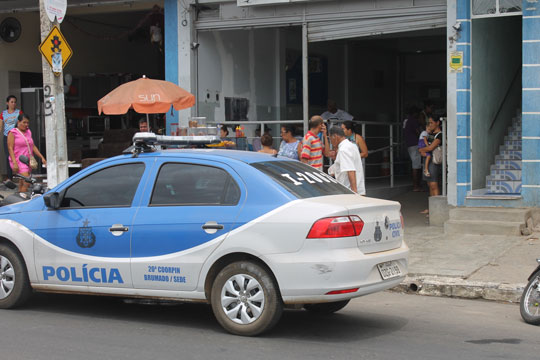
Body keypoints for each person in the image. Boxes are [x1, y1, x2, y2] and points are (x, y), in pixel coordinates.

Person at [7, 114, 46, 193]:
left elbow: (33, 146)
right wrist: (14, 162)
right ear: (18, 122)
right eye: (24, 122)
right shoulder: (13, 132)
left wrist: (42, 157)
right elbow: (10, 148)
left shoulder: (28, 131)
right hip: (17, 160)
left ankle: (19, 198)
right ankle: (24, 198)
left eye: (27, 123)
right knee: (27, 180)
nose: (26, 125)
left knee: (22, 182)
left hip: (27, 161)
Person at [327, 126, 365, 195]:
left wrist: (354, 192)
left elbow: (350, 170)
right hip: (358, 189)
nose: (331, 142)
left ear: (335, 136)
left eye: (330, 139)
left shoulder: (343, 149)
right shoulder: (352, 145)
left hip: (349, 192)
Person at [419, 116, 443, 203]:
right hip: (427, 160)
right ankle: (431, 207)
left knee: (434, 184)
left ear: (438, 123)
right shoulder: (428, 134)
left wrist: (421, 150)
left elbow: (430, 148)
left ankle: (436, 207)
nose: (430, 125)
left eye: (431, 123)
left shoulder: (440, 135)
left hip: (434, 160)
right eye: (429, 123)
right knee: (429, 184)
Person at [0, 95, 22, 180]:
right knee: (8, 157)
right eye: (11, 102)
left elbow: (22, 124)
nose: (13, 104)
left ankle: (21, 176)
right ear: (7, 103)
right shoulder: (3, 114)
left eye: (15, 102)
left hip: (16, 137)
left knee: (18, 156)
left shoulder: (18, 112)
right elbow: (1, 126)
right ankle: (10, 178)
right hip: (7, 137)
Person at [403, 106, 422, 191]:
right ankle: (416, 186)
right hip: (415, 144)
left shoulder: (406, 120)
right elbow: (418, 132)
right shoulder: (413, 121)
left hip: (409, 144)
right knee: (416, 166)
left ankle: (416, 185)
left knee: (415, 165)